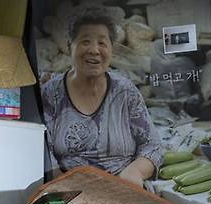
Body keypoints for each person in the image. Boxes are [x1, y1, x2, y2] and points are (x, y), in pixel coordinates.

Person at [41, 6, 163, 186]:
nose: (94, 50)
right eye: (85, 42)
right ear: (69, 46)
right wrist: (64, 186)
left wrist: (135, 171)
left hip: (123, 189)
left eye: (102, 43)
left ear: (111, 49)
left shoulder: (125, 92)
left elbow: (152, 145)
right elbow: (43, 152)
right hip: (71, 192)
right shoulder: (52, 93)